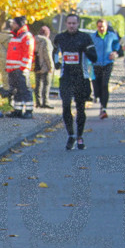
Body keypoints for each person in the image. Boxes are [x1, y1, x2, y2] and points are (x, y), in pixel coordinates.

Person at [52, 13, 98, 150]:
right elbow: (55, 52)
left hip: (81, 77)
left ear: (78, 24)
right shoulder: (60, 38)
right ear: (66, 24)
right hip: (65, 77)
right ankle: (71, 135)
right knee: (66, 106)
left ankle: (79, 136)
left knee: (80, 108)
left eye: (74, 23)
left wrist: (85, 50)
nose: (72, 26)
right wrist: (56, 63)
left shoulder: (85, 38)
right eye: (69, 23)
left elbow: (94, 57)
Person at [89, 19, 120, 119]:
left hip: (107, 63)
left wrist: (115, 53)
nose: (101, 28)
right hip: (96, 64)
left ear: (106, 27)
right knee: (97, 87)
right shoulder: (93, 37)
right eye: (99, 26)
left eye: (103, 26)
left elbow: (117, 47)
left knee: (105, 84)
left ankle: (104, 108)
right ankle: (98, 97)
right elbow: (88, 49)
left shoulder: (112, 36)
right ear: (97, 27)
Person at [4, 16, 35, 118]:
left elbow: (28, 53)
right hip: (13, 69)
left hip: (20, 69)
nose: (12, 25)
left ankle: (29, 111)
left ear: (19, 24)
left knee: (25, 89)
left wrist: (23, 67)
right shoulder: (15, 36)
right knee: (16, 90)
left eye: (14, 23)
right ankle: (18, 110)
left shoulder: (26, 36)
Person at [34, 25, 55, 109]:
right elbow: (47, 55)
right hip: (45, 66)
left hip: (36, 65)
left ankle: (38, 102)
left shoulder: (34, 40)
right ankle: (45, 102)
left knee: (38, 84)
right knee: (46, 84)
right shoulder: (46, 41)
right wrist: (51, 66)